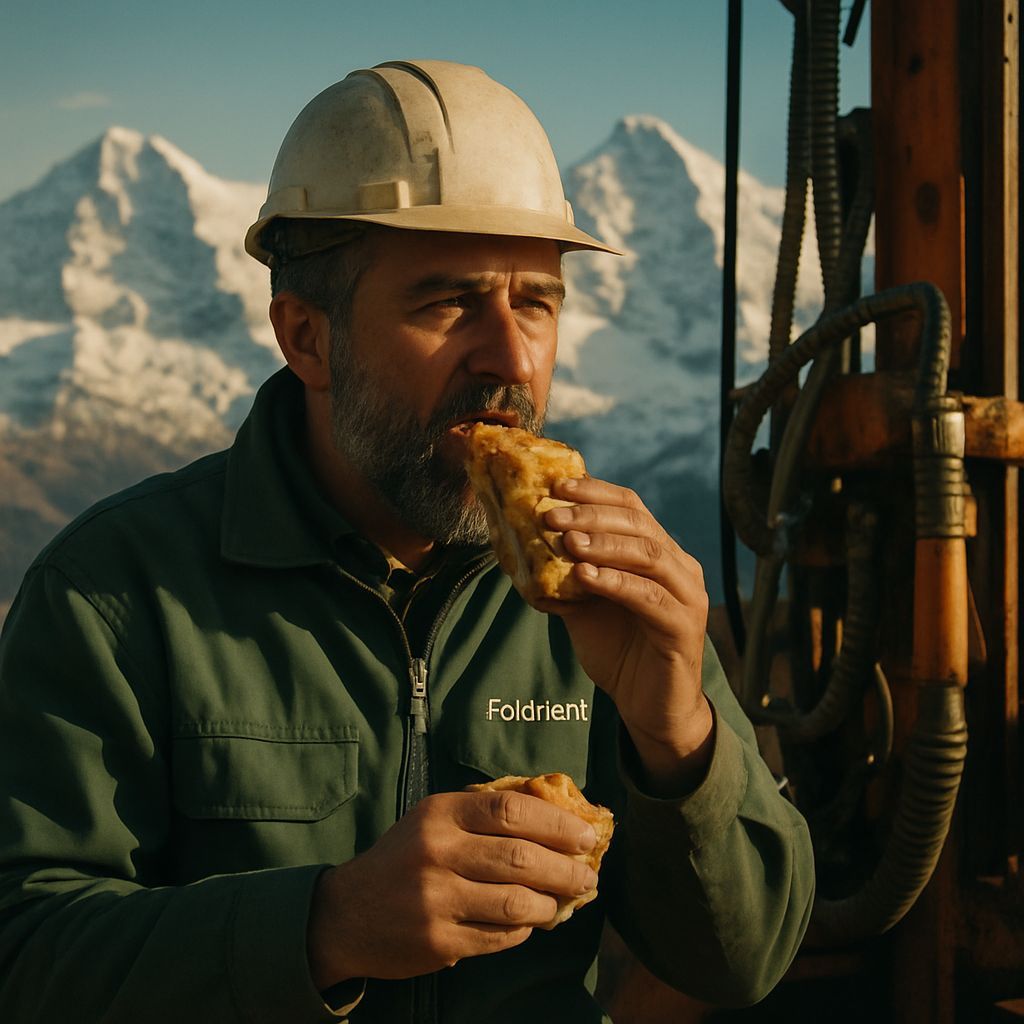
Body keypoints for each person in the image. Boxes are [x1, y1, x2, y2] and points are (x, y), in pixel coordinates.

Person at [0, 60, 813, 1022]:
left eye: (538, 303)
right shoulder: (116, 592)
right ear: (307, 338)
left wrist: (678, 739)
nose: (511, 357)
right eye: (447, 303)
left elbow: (743, 961)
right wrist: (324, 929)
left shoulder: (609, 588)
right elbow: (25, 952)